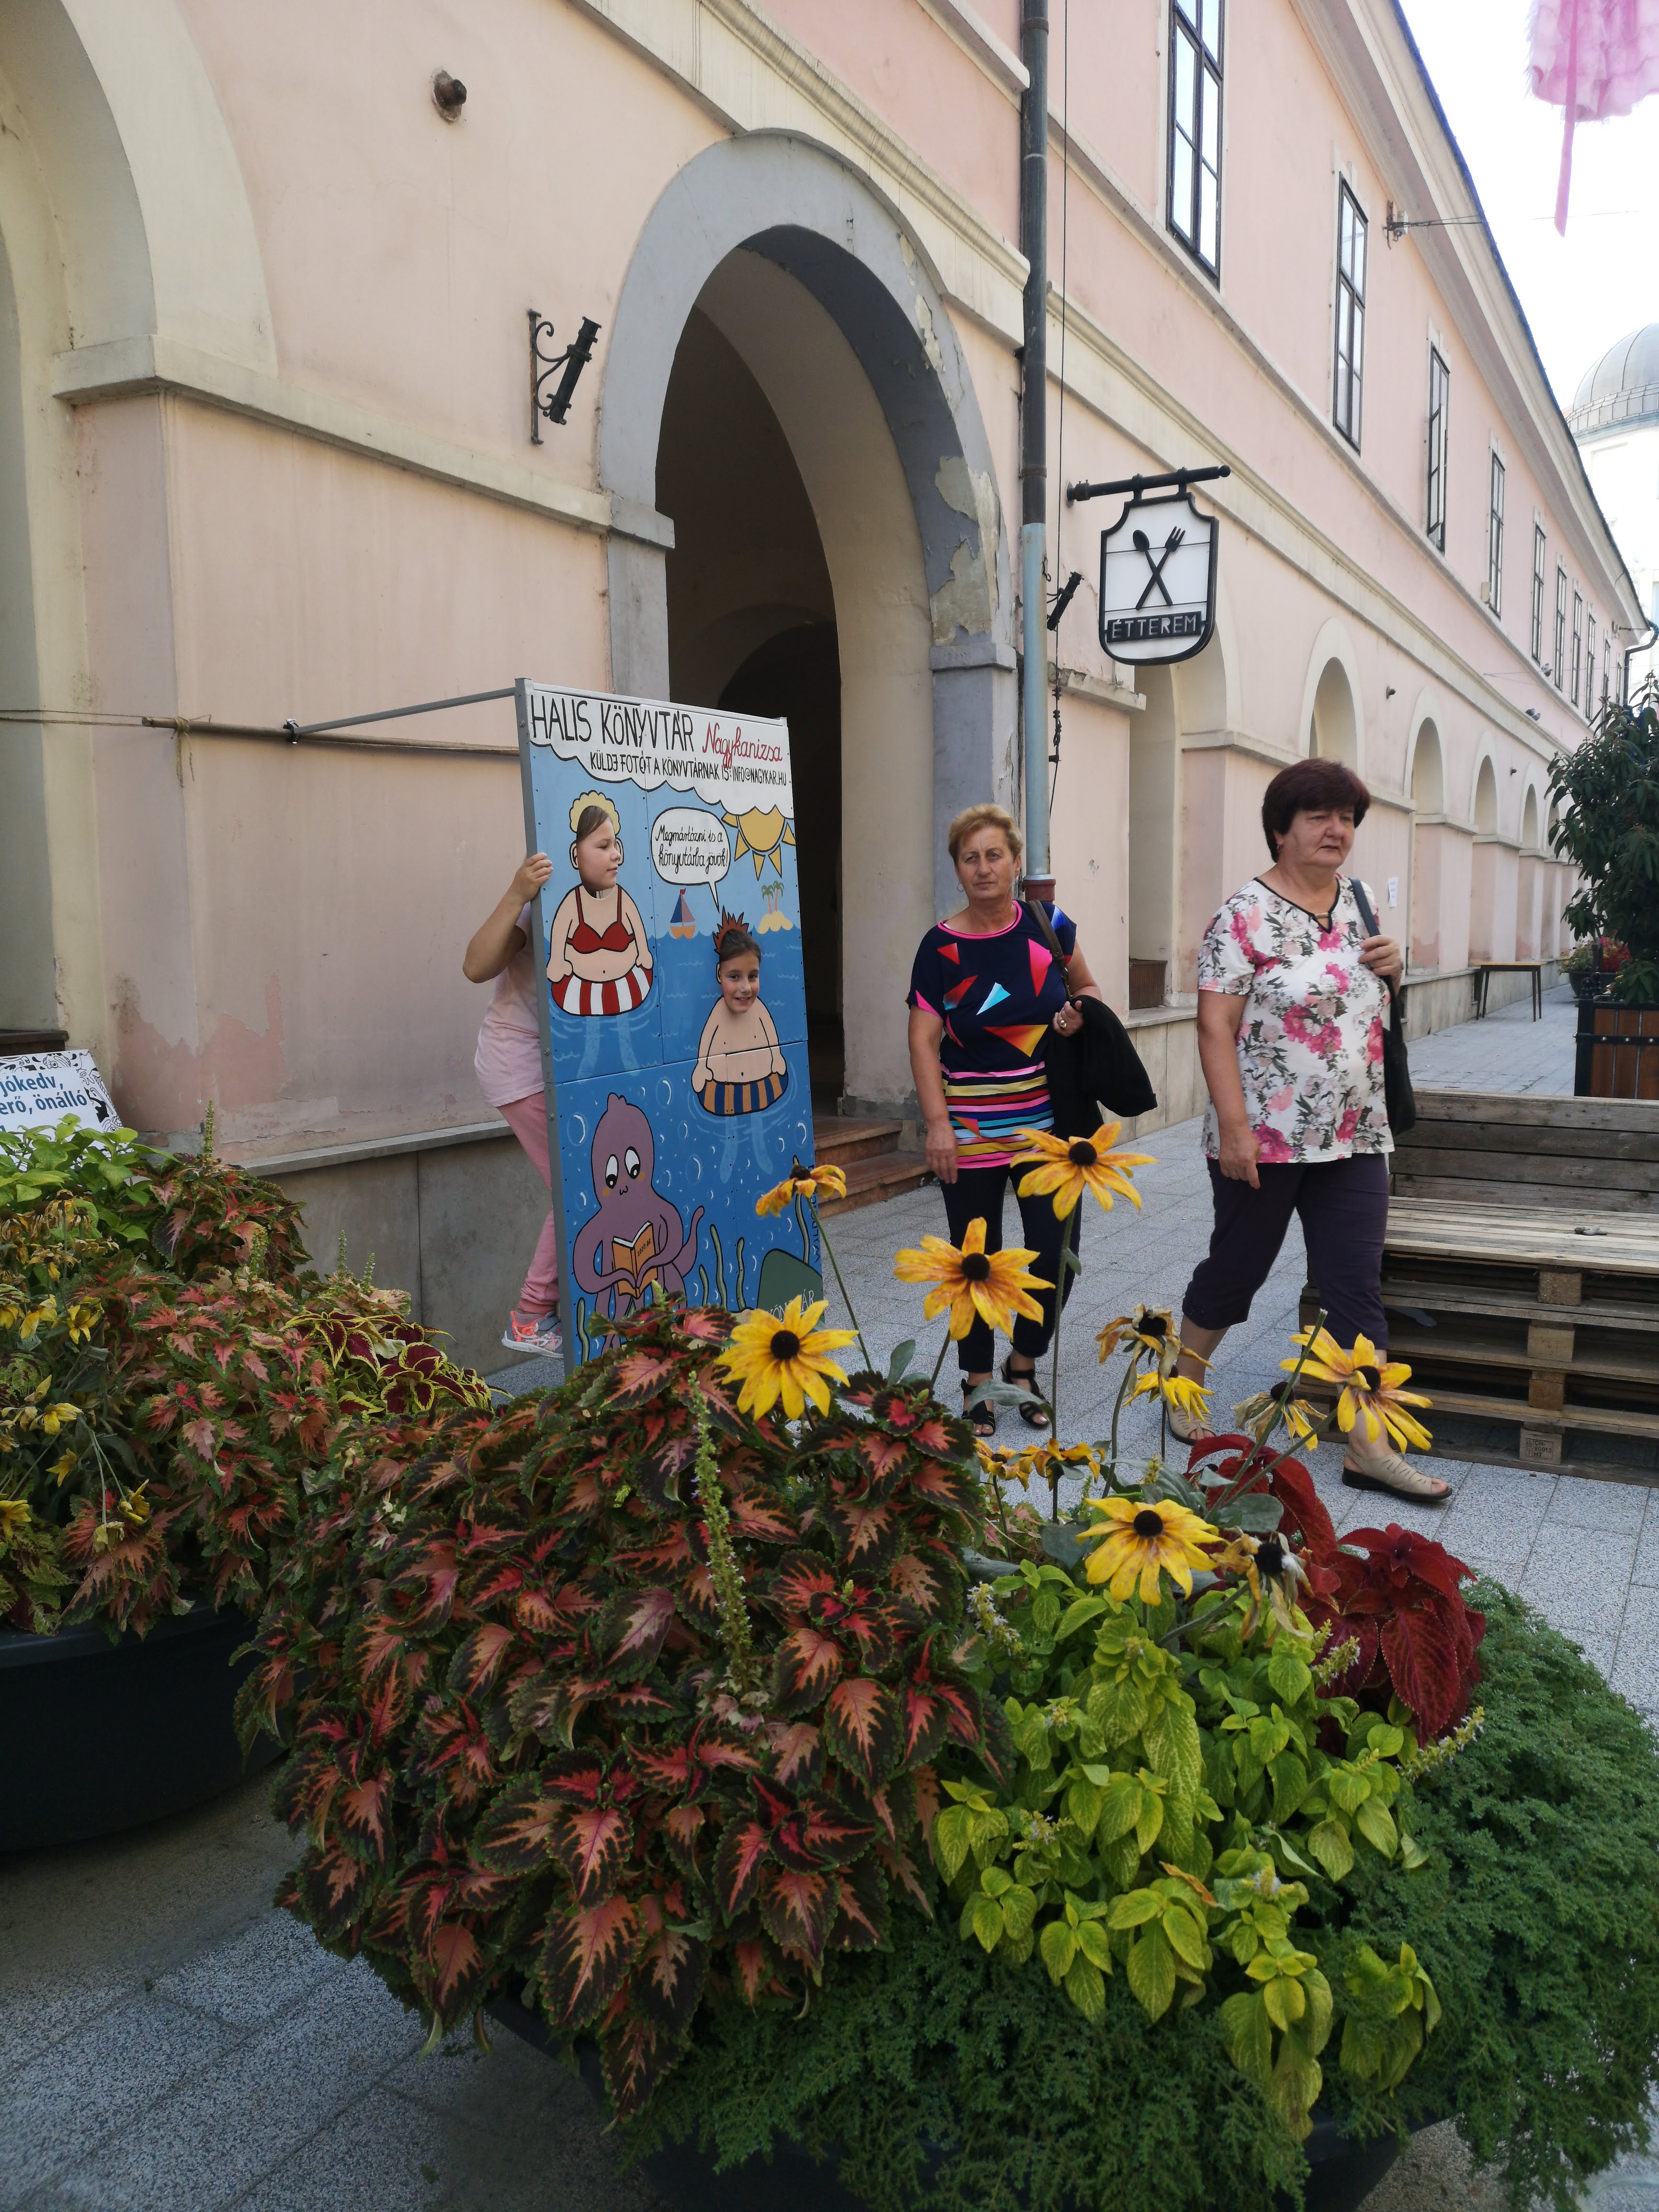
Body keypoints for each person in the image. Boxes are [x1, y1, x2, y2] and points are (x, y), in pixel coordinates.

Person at [1171, 758, 1449, 1503]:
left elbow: (1370, 1005)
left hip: (1355, 1132)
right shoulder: (1241, 916)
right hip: (1265, 1137)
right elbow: (1214, 1026)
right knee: (1239, 1270)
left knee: (1355, 1285)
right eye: (1320, 816)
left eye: (1347, 818)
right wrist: (1235, 1129)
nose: (1337, 830)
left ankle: (1368, 1445)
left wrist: (1394, 970)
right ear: (1280, 829)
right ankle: (1183, 1380)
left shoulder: (1360, 902)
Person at [907, 803, 1104, 1437]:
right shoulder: (940, 947)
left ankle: (1022, 1365)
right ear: (957, 869)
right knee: (976, 1262)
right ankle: (975, 1380)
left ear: (1016, 862)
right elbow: (923, 1039)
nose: (983, 867)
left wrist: (1076, 1015)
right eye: (971, 858)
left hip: (1046, 1128)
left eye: (994, 855)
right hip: (967, 1133)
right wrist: (937, 1124)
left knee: (1055, 1255)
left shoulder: (1050, 926)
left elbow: (1089, 990)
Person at [464, 852, 563, 1357]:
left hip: (553, 1065)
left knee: (584, 1183)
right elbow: (475, 966)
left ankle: (545, 1309)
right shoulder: (541, 906)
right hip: (519, 1063)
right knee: (577, 1184)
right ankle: (531, 1315)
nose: (615, 855)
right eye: (605, 844)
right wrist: (517, 893)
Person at [545, 794, 653, 1016]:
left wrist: (643, 953)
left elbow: (640, 937)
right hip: (579, 992)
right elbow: (558, 942)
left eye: (615, 845)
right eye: (604, 847)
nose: (616, 855)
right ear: (576, 856)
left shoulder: (622, 900)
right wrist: (556, 962)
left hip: (628, 987)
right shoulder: (572, 903)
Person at [693, 913, 789, 1114]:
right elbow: (707, 1037)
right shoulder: (718, 1011)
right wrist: (702, 1067)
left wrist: (777, 1057)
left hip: (761, 1083)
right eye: (735, 977)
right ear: (719, 974)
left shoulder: (759, 1009)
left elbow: (770, 1032)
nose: (746, 988)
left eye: (753, 976)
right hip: (724, 1089)